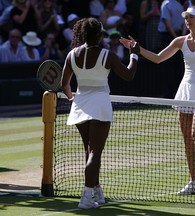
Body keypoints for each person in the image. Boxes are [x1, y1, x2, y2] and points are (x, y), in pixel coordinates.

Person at [120, 6, 195, 195]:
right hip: (185, 91)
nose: (187, 20)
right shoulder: (180, 41)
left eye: (191, 17)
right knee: (187, 138)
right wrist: (138, 49)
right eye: (186, 17)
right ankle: (194, 182)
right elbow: (158, 58)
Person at [60, 17, 139, 209]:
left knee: (90, 151)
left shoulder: (72, 55)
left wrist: (71, 98)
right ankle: (86, 196)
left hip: (80, 105)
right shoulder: (108, 55)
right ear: (100, 35)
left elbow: (64, 84)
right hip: (100, 104)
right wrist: (134, 55)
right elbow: (129, 75)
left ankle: (97, 191)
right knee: (95, 152)